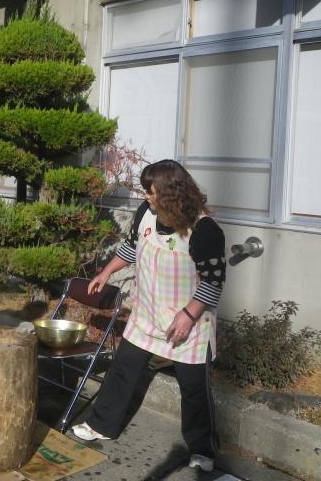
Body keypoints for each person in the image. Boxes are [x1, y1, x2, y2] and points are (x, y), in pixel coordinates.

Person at [70, 159, 226, 473]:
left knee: (194, 390)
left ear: (170, 193)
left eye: (151, 192)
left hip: (188, 325)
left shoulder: (204, 230)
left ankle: (202, 449)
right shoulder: (147, 215)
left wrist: (188, 315)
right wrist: (106, 272)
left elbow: (213, 281)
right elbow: (130, 247)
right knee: (123, 370)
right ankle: (101, 424)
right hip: (148, 314)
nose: (146, 197)